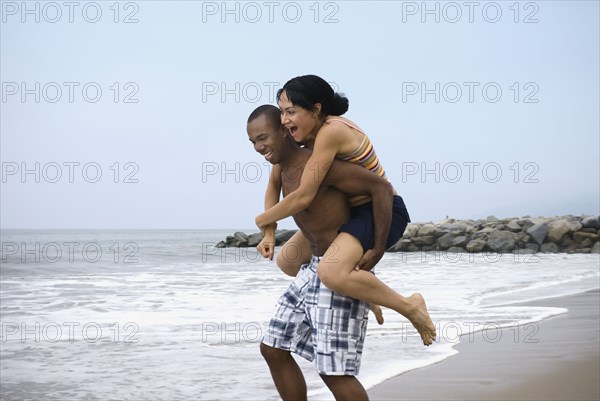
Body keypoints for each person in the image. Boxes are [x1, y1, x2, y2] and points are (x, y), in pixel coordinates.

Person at [248, 104, 417, 400]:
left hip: (335, 270)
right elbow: (272, 188)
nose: (259, 147)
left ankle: (366, 290)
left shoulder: (319, 166)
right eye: (253, 142)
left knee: (334, 372)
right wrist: (269, 231)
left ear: (284, 132)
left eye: (263, 138)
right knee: (273, 348)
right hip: (312, 267)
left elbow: (379, 187)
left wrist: (377, 247)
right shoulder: (280, 167)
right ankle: (365, 291)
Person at [255, 75, 436, 344]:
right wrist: (269, 233)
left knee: (330, 272)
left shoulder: (332, 131)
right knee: (288, 260)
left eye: (291, 112)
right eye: (282, 113)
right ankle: (362, 289)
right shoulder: (307, 138)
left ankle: (410, 306)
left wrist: (260, 220)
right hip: (350, 214)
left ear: (316, 109)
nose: (284, 120)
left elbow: (304, 196)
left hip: (381, 210)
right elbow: (274, 181)